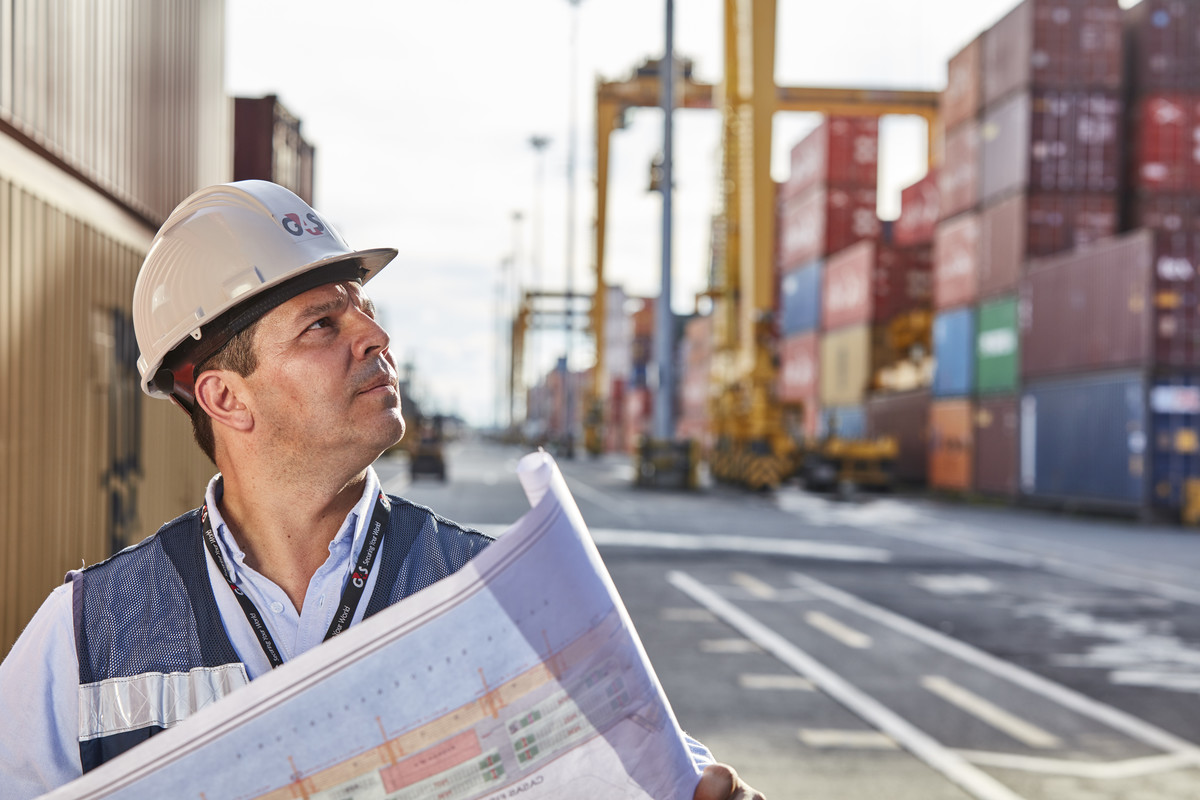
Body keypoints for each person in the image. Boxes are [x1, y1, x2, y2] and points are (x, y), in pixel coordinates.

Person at [0, 181, 764, 799]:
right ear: (226, 398)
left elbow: (670, 775)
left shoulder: (502, 593)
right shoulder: (83, 636)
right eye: (321, 325)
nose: (375, 336)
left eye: (362, 308)